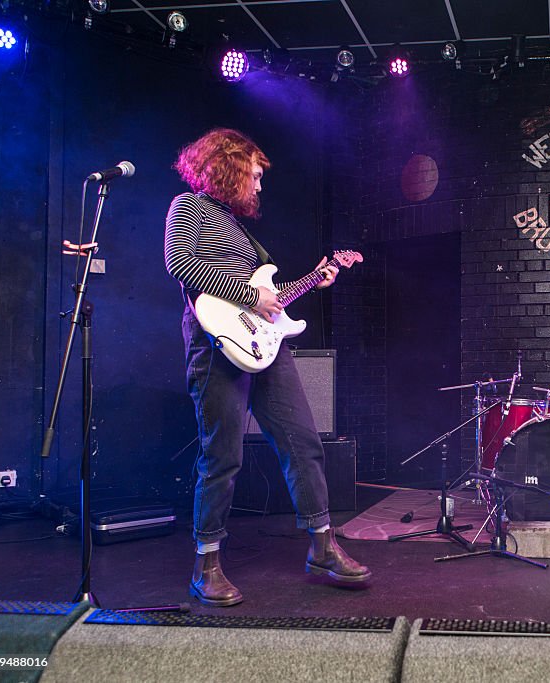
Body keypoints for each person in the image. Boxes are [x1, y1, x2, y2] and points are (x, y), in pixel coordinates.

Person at [164, 128, 370, 606]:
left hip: (265, 346)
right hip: (215, 346)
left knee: (304, 441)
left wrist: (311, 281)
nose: (259, 186)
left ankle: (322, 546)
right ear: (230, 167)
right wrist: (251, 295)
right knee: (223, 456)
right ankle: (207, 564)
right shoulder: (188, 208)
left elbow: (269, 298)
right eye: (254, 175)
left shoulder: (241, 232)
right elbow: (182, 266)